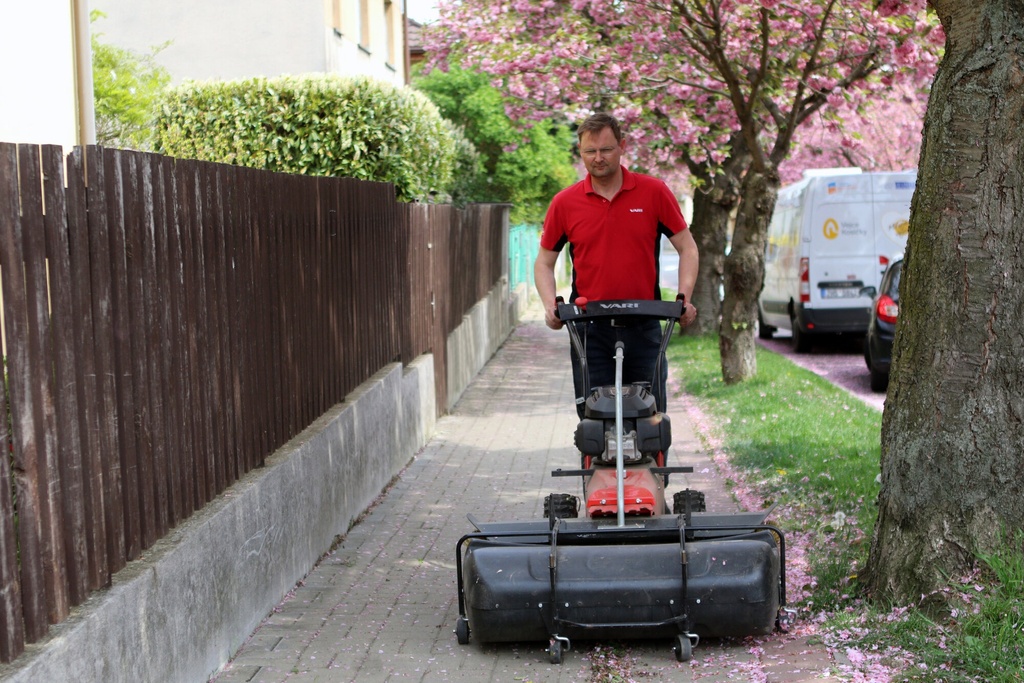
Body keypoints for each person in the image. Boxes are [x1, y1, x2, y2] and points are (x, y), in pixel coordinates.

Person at [534, 113, 699, 418]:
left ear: (622, 146)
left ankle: (651, 465)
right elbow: (544, 262)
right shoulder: (565, 203)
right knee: (594, 420)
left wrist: (684, 298)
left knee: (650, 417)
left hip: (645, 324)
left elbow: (687, 247)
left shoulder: (654, 192)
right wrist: (550, 306)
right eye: (590, 151)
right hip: (589, 328)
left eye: (606, 149)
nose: (598, 158)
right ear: (580, 154)